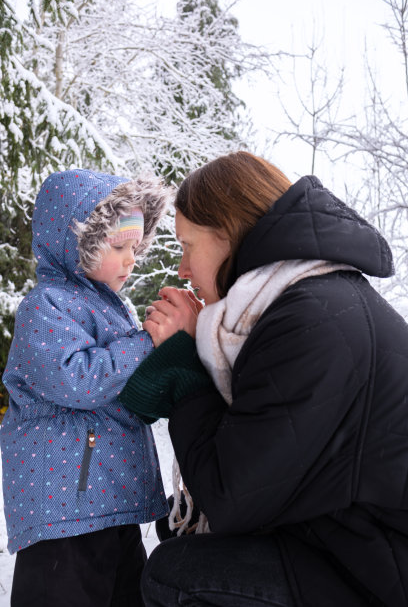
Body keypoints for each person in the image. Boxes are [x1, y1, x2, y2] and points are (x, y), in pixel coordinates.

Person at [118, 151, 408, 607]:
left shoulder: (311, 322)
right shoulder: (311, 299)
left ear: (228, 232)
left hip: (378, 571)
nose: (182, 269)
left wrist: (184, 366)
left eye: (188, 245)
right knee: (177, 531)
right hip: (350, 541)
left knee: (176, 574)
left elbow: (228, 499)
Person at [1, 169, 172, 607]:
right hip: (65, 512)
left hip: (109, 503)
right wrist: (146, 342)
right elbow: (77, 380)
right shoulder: (47, 306)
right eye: (118, 247)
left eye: (135, 247)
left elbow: (128, 388)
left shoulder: (114, 309)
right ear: (75, 242)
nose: (131, 259)